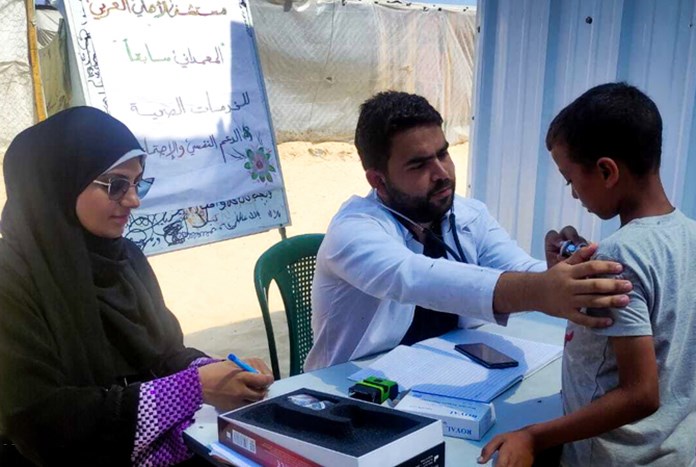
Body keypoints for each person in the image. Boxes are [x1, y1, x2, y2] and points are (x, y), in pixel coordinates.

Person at [0, 107, 275, 466]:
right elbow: (42, 420)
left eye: (137, 183)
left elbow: (164, 354)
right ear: (61, 182)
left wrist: (217, 370)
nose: (133, 200)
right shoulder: (11, 282)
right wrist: (189, 390)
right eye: (116, 185)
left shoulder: (125, 258)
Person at [304, 90, 633, 371]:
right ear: (378, 181)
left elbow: (517, 269)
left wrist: (557, 272)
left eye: (443, 154)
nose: (442, 173)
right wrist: (543, 289)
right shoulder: (353, 232)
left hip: (445, 372)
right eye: (419, 165)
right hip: (354, 388)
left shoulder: (466, 213)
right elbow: (417, 277)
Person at [479, 83, 696, 466]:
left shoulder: (621, 255)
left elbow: (641, 393)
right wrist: (563, 278)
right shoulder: (689, 234)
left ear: (607, 170)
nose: (573, 193)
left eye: (569, 178)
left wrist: (532, 436)